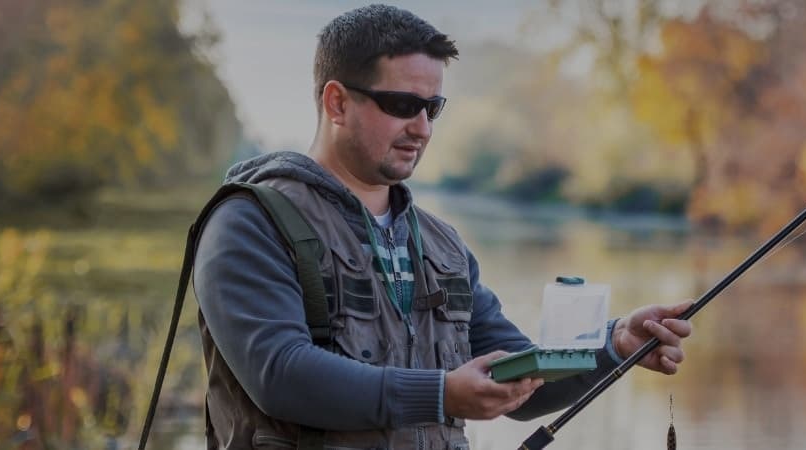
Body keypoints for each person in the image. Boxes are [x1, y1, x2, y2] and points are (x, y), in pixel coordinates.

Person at [192, 4, 693, 449]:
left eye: (433, 108)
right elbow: (280, 375)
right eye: (404, 106)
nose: (423, 128)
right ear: (336, 102)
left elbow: (520, 382)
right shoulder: (248, 223)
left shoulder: (442, 245)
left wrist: (615, 345)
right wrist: (441, 393)